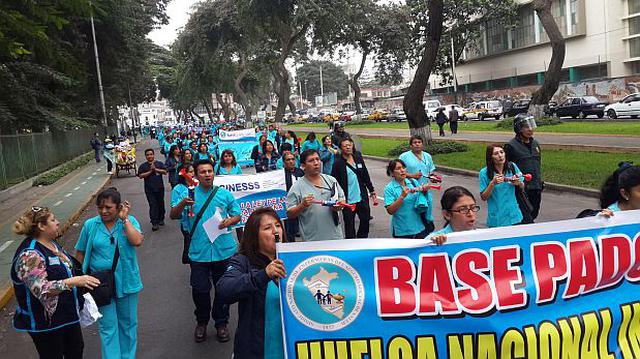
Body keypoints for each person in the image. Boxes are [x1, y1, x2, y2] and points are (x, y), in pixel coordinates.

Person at [12, 207, 100, 359]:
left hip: (67, 316)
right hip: (45, 325)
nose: (58, 223)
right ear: (41, 226)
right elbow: (43, 289)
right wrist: (74, 281)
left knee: (76, 351)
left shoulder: (52, 245)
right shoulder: (29, 255)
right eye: (53, 220)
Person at [170, 159, 241, 343]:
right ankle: (201, 321)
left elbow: (237, 214)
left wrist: (229, 221)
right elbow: (173, 215)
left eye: (210, 171)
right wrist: (182, 204)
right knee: (200, 289)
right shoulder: (188, 195)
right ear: (196, 175)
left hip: (223, 250)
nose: (207, 174)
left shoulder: (224, 195)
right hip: (199, 251)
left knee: (222, 289)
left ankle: (221, 323)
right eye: (203, 172)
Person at [75, 188, 144, 359]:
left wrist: (125, 219)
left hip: (127, 282)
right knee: (108, 327)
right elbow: (80, 253)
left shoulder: (128, 221)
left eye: (108, 207)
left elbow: (137, 241)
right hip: (100, 285)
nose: (103, 211)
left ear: (119, 207)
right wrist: (80, 277)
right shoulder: (91, 225)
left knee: (128, 325)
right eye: (100, 207)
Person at [217, 208, 287, 359]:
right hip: (258, 349)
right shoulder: (243, 261)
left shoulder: (294, 258)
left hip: (291, 346)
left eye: (278, 225)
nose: (276, 231)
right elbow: (225, 289)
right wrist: (263, 275)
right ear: (254, 236)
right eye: (268, 228)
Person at [287, 149, 346, 241]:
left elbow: (342, 200)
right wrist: (302, 206)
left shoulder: (331, 180)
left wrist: (339, 206)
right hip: (312, 240)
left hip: (335, 237)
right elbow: (290, 214)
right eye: (311, 160)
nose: (316, 163)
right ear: (303, 166)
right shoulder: (297, 187)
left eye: (317, 159)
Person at [331, 138, 376, 239]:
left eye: (349, 145)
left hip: (361, 197)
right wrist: (337, 197)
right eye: (345, 146)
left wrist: (371, 189)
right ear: (341, 149)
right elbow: (334, 181)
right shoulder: (338, 163)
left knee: (365, 220)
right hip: (348, 201)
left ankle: (362, 239)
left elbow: (365, 175)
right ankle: (351, 243)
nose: (348, 147)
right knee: (349, 225)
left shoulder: (358, 159)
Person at [504, 114, 543, 220]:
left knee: (534, 213)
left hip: (536, 187)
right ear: (519, 129)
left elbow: (537, 164)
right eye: (526, 127)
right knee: (525, 216)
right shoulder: (511, 146)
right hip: (522, 188)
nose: (530, 129)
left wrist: (539, 181)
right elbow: (506, 168)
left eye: (531, 126)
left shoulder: (535, 144)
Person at [399, 135, 437, 234]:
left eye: (419, 142)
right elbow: (398, 172)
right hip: (412, 191)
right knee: (415, 213)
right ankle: (418, 233)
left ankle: (426, 232)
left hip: (425, 190)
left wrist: (433, 177)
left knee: (426, 213)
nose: (417, 144)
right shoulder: (404, 157)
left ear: (422, 144)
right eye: (414, 142)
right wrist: (412, 175)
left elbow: (430, 172)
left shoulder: (427, 156)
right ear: (411, 145)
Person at [479, 144, 524, 228]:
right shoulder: (484, 173)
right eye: (496, 154)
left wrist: (519, 183)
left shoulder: (512, 167)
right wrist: (492, 184)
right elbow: (483, 197)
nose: (500, 155)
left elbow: (522, 186)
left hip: (514, 216)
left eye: (502, 152)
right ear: (490, 157)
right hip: (497, 219)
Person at [383, 159, 428, 238]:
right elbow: (390, 210)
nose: (402, 170)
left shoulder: (413, 182)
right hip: (403, 231)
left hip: (420, 227)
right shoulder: (389, 188)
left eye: (403, 167)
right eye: (398, 168)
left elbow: (421, 200)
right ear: (392, 173)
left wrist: (424, 191)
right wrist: (402, 197)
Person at [137, 149, 167, 231]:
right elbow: (140, 176)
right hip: (149, 189)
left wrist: (156, 169)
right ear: (145, 156)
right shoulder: (143, 166)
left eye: (151, 154)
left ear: (153, 155)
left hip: (160, 187)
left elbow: (164, 172)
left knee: (160, 203)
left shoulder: (159, 163)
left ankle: (161, 219)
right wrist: (150, 171)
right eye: (147, 155)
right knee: (153, 205)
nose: (149, 156)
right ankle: (154, 222)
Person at [283, 152, 304, 241]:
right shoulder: (281, 175)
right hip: (289, 204)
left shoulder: (300, 172)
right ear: (284, 162)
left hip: (302, 203)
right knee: (290, 230)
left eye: (292, 159)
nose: (291, 161)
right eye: (288, 160)